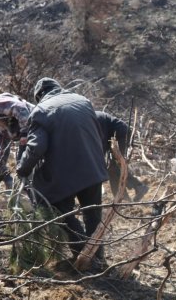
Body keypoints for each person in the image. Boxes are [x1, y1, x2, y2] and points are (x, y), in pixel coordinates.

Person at [16, 78, 108, 266]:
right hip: (93, 166)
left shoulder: (41, 111)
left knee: (61, 211)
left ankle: (83, 255)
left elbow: (36, 148)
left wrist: (22, 169)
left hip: (65, 173)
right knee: (93, 215)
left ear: (39, 95)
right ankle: (98, 257)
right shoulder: (83, 100)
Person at [94, 110, 148, 201]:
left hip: (121, 134)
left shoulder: (92, 120)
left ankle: (136, 188)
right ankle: (122, 197)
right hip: (115, 136)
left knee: (115, 167)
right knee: (113, 168)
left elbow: (100, 143)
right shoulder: (91, 117)